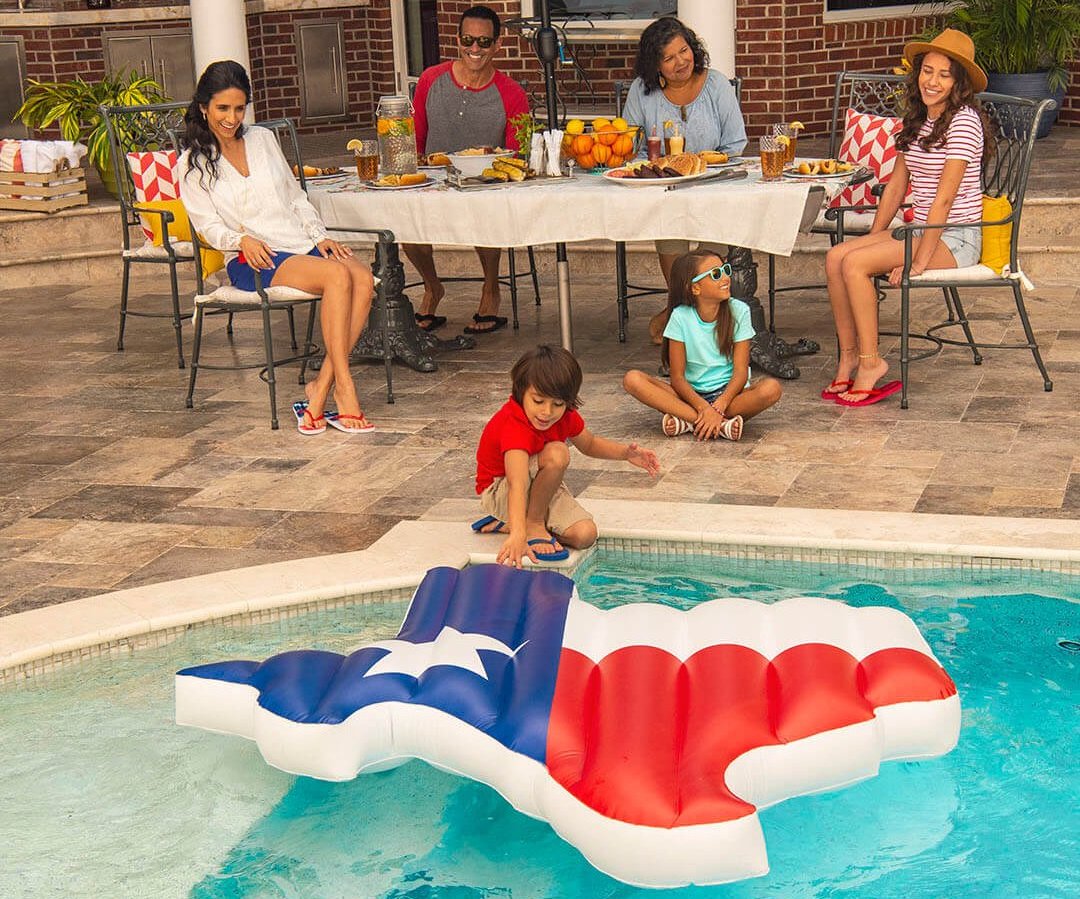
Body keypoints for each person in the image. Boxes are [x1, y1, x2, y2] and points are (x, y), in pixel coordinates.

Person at [179, 60, 376, 435]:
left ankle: (319, 389)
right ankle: (345, 389)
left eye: (239, 108)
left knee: (362, 277)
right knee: (337, 276)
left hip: (299, 243)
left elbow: (295, 197)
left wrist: (319, 236)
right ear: (204, 107)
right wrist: (240, 240)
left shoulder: (263, 140)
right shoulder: (192, 164)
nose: (232, 118)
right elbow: (207, 226)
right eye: (223, 108)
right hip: (252, 256)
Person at [822, 29, 991, 407]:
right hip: (920, 230)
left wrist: (919, 260)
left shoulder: (964, 122)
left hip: (956, 237)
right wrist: (874, 239)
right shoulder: (919, 119)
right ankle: (848, 355)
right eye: (927, 71)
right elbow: (896, 189)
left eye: (944, 74)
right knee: (838, 257)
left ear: (958, 82)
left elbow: (944, 202)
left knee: (856, 265)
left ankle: (871, 363)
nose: (932, 81)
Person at [474, 345, 661, 568]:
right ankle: (531, 523)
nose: (547, 412)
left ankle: (513, 521)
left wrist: (626, 453)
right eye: (538, 401)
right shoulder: (514, 424)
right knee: (557, 452)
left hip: (536, 486)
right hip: (500, 488)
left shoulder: (563, 416)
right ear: (521, 391)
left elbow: (589, 444)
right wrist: (518, 534)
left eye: (558, 404)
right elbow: (517, 482)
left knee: (585, 535)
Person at [622, 16, 747, 343]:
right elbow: (630, 146)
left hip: (713, 186)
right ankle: (697, 318)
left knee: (713, 234)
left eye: (684, 50)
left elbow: (735, 143)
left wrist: (702, 163)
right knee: (669, 225)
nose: (681, 61)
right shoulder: (641, 91)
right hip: (665, 189)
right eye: (669, 57)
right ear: (655, 65)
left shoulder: (716, 84)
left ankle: (677, 314)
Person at [405, 4, 529, 335]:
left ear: (497, 45)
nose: (474, 49)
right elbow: (414, 140)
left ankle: (491, 288)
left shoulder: (512, 93)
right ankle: (432, 287)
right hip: (433, 183)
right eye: (467, 40)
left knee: (486, 210)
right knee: (401, 216)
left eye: (484, 42)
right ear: (457, 40)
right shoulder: (431, 80)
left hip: (483, 186)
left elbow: (516, 156)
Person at [623, 250, 782, 441]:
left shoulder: (739, 311)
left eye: (726, 270)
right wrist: (704, 408)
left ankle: (689, 422)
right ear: (695, 288)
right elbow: (678, 378)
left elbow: (740, 372)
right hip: (690, 396)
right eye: (716, 274)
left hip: (730, 396)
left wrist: (719, 405)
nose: (725, 277)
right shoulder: (680, 317)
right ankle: (720, 425)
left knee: (771, 389)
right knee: (632, 379)